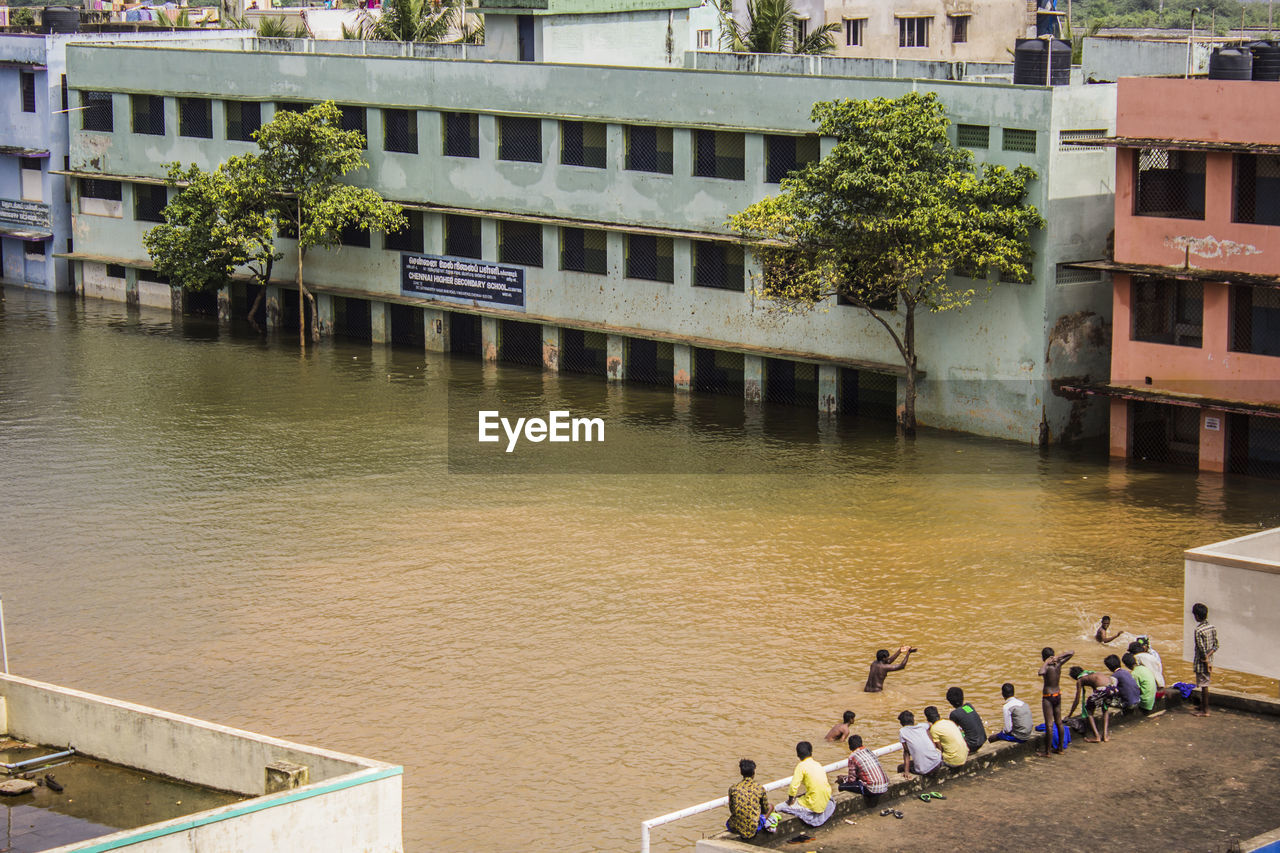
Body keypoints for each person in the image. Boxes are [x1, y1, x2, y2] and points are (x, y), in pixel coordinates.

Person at [774, 741, 834, 827]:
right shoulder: (818, 764)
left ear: (798, 755)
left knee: (778, 807)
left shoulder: (801, 766)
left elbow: (793, 786)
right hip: (825, 800)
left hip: (813, 804)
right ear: (811, 752)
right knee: (802, 796)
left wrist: (790, 801)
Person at [726, 759, 777, 839]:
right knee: (771, 806)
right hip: (753, 829)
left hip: (735, 827)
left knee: (730, 821)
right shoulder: (759, 788)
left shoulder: (733, 788)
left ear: (741, 772)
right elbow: (765, 810)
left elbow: (732, 809)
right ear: (754, 773)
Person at [835, 734, 889, 807]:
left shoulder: (853, 757)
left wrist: (843, 779)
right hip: (885, 785)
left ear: (850, 747)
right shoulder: (868, 751)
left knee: (841, 786)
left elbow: (851, 780)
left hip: (872, 789)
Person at [1067, 665, 1118, 742]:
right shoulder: (1090, 674)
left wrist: (1069, 715)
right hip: (1112, 688)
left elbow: (1077, 700)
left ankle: (1097, 736)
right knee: (1105, 709)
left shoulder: (1080, 680)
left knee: (1089, 710)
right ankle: (1105, 735)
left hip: (1103, 689)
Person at [1038, 647, 1074, 756]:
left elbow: (1041, 672)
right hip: (1058, 695)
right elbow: (1071, 652)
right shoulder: (1058, 664)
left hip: (1048, 696)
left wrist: (1046, 662)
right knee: (1059, 722)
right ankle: (1060, 749)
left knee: (1049, 724)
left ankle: (1047, 752)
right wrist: (1057, 658)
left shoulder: (1047, 666)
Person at [897, 709, 942, 777]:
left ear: (901, 723)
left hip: (925, 770)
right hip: (937, 762)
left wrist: (906, 771)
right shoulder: (923, 726)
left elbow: (906, 752)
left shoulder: (902, 732)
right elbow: (930, 725)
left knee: (900, 767)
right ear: (913, 720)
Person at [1191, 602, 1218, 717]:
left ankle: (1205, 710)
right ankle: (1203, 706)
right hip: (1209, 659)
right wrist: (1209, 657)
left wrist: (1205, 660)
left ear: (1197, 616)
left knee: (1204, 685)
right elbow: (1216, 645)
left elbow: (1201, 648)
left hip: (1202, 662)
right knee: (1204, 683)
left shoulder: (1198, 631)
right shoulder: (1212, 627)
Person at [945, 687, 987, 754]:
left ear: (950, 701)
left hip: (972, 744)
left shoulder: (954, 714)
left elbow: (953, 733)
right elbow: (968, 718)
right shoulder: (968, 706)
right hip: (982, 740)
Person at [1124, 652, 1161, 717]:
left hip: (1145, 702)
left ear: (1126, 665)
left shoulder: (1134, 673)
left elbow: (1136, 690)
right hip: (1152, 698)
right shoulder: (1144, 668)